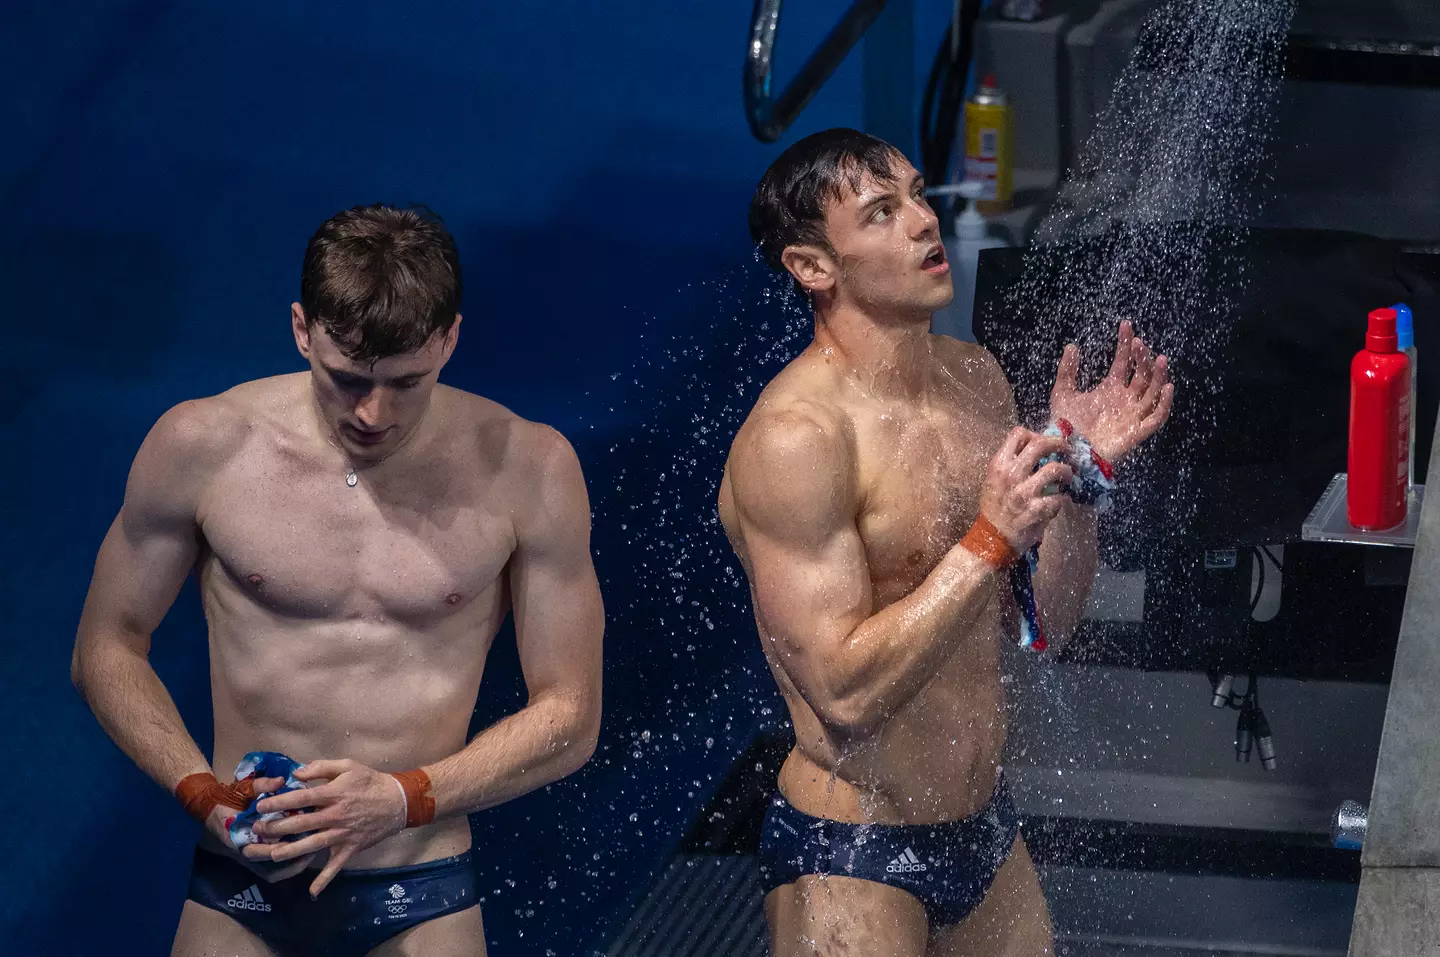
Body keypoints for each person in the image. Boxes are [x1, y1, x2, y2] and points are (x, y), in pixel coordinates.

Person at [71, 204, 605, 957]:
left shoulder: (530, 470)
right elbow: (106, 646)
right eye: (347, 378)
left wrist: (400, 797)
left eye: (407, 381)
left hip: (420, 879)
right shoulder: (203, 446)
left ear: (451, 338)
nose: (374, 412)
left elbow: (572, 716)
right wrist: (198, 788)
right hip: (242, 879)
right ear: (301, 330)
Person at [718, 129, 1174, 956]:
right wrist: (992, 535)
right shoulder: (797, 438)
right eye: (882, 214)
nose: (925, 223)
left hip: (984, 833)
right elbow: (844, 696)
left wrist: (1080, 482)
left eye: (919, 197)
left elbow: (1045, 627)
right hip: (853, 850)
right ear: (813, 267)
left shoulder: (976, 379)